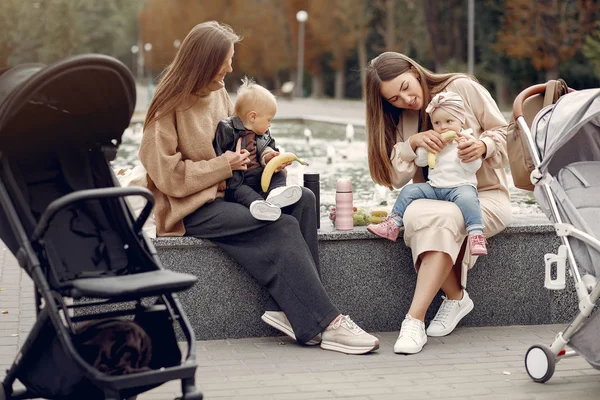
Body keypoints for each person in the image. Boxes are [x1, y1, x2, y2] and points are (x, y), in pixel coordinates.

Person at [139, 21, 379, 355]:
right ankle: (327, 323)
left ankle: (293, 311)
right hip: (192, 208)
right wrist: (223, 166)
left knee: (303, 201)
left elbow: (240, 143)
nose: (231, 67)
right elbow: (167, 175)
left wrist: (266, 158)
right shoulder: (167, 106)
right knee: (279, 225)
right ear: (204, 60)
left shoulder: (218, 93)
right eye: (226, 60)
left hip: (232, 193)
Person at [365, 52, 511, 355]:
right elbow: (394, 179)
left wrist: (484, 145)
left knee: (446, 219)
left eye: (406, 87)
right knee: (420, 216)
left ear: (414, 71)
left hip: (483, 195)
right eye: (394, 98)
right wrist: (411, 144)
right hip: (431, 195)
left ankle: (413, 320)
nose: (406, 99)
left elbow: (508, 132)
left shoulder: (462, 88)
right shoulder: (403, 119)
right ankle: (456, 296)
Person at [367, 91, 487, 256]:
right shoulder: (435, 141)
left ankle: (476, 234)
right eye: (437, 123)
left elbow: (473, 167)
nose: (443, 127)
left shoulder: (467, 141)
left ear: (461, 121)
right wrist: (426, 149)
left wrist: (465, 154)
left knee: (469, 199)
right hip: (435, 187)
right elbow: (421, 162)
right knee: (409, 191)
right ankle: (392, 224)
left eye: (449, 121)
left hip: (460, 187)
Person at [213, 76, 302, 221]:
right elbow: (217, 150)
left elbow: (268, 148)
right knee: (241, 191)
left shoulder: (263, 133)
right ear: (253, 117)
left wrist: (271, 157)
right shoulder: (228, 128)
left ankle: (276, 194)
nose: (270, 125)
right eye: (268, 120)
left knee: (279, 174)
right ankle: (260, 206)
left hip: (259, 176)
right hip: (238, 180)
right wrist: (220, 178)